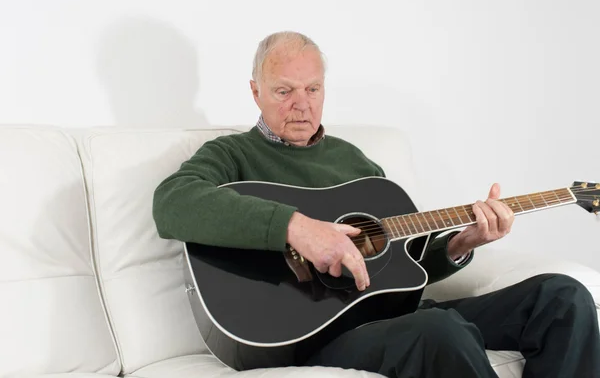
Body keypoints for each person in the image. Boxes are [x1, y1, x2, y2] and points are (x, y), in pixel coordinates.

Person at [152, 31, 599, 378]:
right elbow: (172, 203)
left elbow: (404, 267)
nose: (301, 105)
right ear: (256, 92)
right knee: (440, 331)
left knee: (564, 297)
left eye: (313, 89)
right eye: (284, 91)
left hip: (393, 315)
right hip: (311, 335)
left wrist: (463, 242)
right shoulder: (232, 154)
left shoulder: (354, 161)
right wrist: (297, 228)